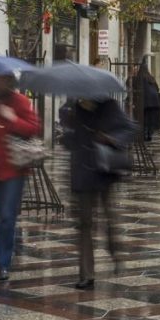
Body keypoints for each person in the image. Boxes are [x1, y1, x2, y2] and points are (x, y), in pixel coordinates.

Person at [61, 97, 136, 289]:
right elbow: (69, 141)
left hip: (104, 171)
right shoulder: (73, 109)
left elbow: (130, 129)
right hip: (82, 174)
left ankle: (114, 251)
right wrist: (67, 129)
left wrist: (111, 139)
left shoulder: (109, 106)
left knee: (109, 217)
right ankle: (86, 274)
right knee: (85, 224)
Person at [0, 74, 40, 281]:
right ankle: (2, 257)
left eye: (0, 81)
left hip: (14, 168)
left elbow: (33, 128)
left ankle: (3, 263)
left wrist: (12, 118)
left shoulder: (20, 102)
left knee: (6, 216)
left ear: (9, 83)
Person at [133, 59, 160, 141]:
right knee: (150, 118)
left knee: (144, 117)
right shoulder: (150, 77)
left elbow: (134, 88)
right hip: (154, 101)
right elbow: (157, 88)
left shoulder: (139, 77)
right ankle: (150, 134)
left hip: (144, 101)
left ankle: (144, 134)